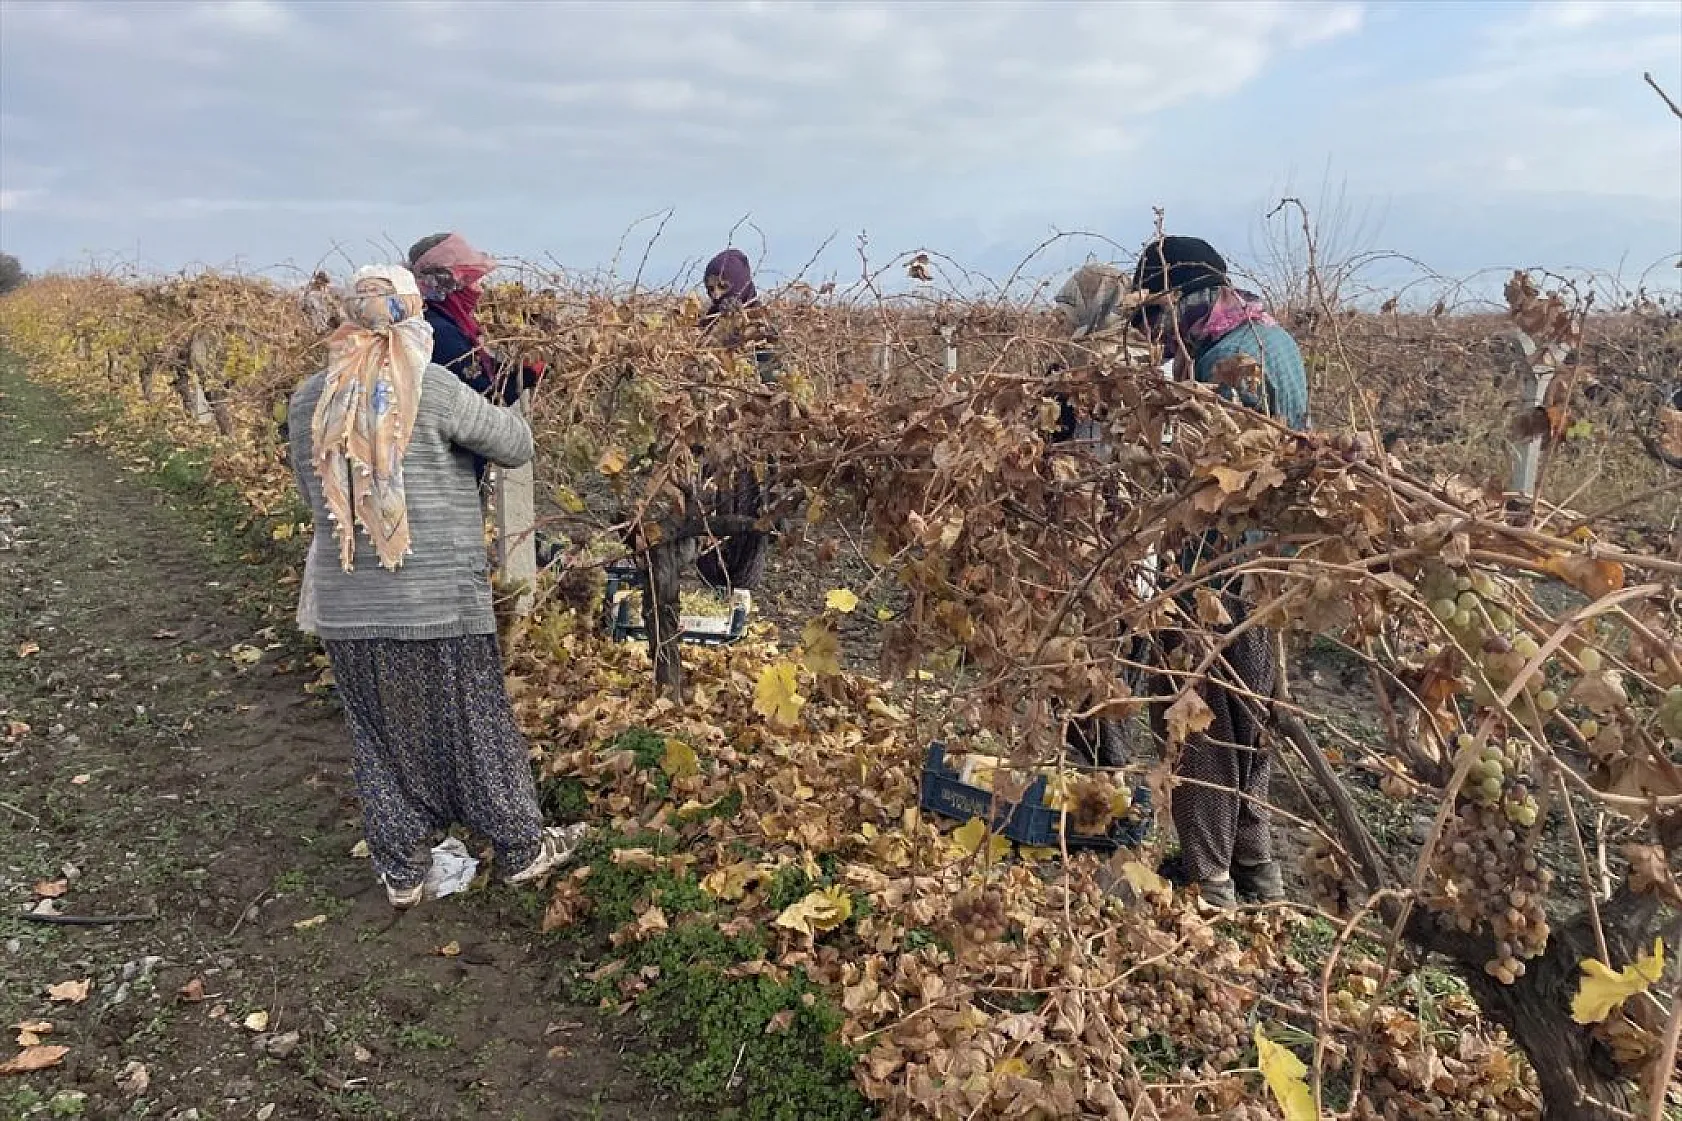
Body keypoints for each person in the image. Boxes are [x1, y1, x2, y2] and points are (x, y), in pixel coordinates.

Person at [288, 264, 583, 909]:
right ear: (412, 314)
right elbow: (515, 445)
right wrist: (508, 388)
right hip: (437, 597)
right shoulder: (431, 385)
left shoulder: (309, 398)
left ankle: (403, 871)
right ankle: (522, 847)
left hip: (346, 604)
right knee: (475, 724)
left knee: (378, 736)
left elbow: (314, 491)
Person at [1130, 235, 1310, 910]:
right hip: (1268, 563)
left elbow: (1200, 482)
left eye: (1154, 313)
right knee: (1250, 713)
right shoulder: (1274, 338)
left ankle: (1209, 882)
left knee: (1195, 716)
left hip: (1213, 572)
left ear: (1176, 298)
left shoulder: (1220, 364)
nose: (1156, 335)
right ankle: (1258, 867)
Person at [693, 249, 780, 592]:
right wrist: (720, 326)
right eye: (710, 287)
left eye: (723, 286)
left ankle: (739, 579)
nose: (715, 294)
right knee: (708, 508)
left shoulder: (761, 326)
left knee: (748, 510)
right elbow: (697, 369)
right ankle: (711, 574)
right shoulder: (706, 325)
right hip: (712, 439)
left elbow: (769, 382)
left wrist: (741, 329)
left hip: (750, 445)